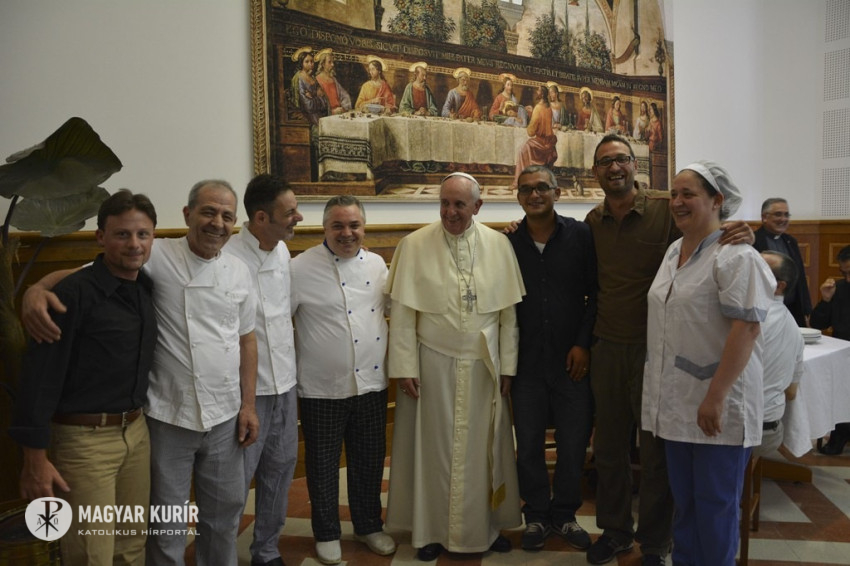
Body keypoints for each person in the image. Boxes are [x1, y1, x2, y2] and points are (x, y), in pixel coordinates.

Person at [22, 180, 260, 566]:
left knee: (221, 516)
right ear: (187, 215)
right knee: (164, 524)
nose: (217, 223)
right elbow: (82, 275)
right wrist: (36, 289)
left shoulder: (238, 270)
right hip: (166, 416)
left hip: (222, 416)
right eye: (208, 212)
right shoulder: (155, 253)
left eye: (226, 216)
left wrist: (248, 405)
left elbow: (247, 339)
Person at [584, 134, 754, 566]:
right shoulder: (593, 221)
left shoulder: (665, 212)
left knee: (658, 457)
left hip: (655, 352)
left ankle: (655, 543)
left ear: (634, 164)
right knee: (611, 450)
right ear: (595, 171)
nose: (614, 167)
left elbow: (718, 244)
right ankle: (616, 532)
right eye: (605, 162)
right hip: (610, 346)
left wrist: (742, 228)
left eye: (622, 158)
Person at [10, 190, 157, 566]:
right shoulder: (70, 295)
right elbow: (39, 378)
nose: (134, 244)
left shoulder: (146, 287)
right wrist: (35, 458)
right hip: (84, 445)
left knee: (131, 548)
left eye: (143, 234)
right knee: (91, 555)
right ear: (100, 237)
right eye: (122, 234)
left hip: (136, 434)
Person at [385, 172, 525, 561]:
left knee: (485, 451)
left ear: (477, 206)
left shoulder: (499, 245)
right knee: (431, 452)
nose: (449, 212)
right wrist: (404, 366)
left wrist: (508, 367)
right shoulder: (414, 245)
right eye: (444, 203)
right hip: (432, 366)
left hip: (484, 368)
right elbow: (403, 313)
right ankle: (429, 531)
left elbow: (508, 317)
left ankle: (487, 527)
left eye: (459, 204)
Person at [643, 161, 774, 566]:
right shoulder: (674, 252)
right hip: (677, 403)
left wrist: (715, 397)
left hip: (718, 407)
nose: (678, 202)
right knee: (686, 506)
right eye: (674, 195)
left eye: (689, 194)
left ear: (717, 200)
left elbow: (746, 328)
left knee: (715, 508)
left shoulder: (736, 256)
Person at [290, 196, 396, 565]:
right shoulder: (299, 268)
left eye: (354, 225)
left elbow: (390, 310)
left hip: (372, 383)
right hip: (321, 387)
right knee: (322, 464)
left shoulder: (378, 264)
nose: (346, 233)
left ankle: (369, 525)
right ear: (324, 228)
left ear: (364, 228)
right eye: (338, 225)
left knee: (369, 460)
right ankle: (326, 532)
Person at [506, 165, 596, 552]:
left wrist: (583, 344)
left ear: (557, 192)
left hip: (571, 360)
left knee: (573, 444)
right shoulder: (508, 242)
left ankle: (565, 514)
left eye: (542, 187)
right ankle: (537, 515)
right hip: (526, 362)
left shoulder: (580, 235)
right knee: (527, 445)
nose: (535, 194)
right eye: (526, 189)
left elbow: (595, 293)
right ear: (518, 197)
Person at [224, 175, 302, 566]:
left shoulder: (283, 251)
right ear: (260, 218)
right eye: (290, 212)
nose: (298, 218)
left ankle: (267, 550)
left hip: (285, 384)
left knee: (280, 471)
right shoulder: (225, 256)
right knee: (234, 484)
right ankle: (219, 554)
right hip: (245, 394)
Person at [754, 251, 804, 458]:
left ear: (779, 285)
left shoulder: (751, 317)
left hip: (745, 428)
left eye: (757, 269)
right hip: (771, 429)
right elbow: (791, 392)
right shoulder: (794, 327)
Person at [810, 245, 850, 455]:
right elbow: (818, 324)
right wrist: (825, 300)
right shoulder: (839, 288)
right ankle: (840, 435)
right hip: (843, 355)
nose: (848, 278)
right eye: (844, 273)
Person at [753, 197, 812, 327]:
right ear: (764, 217)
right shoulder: (753, 241)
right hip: (765, 309)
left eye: (786, 215)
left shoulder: (791, 241)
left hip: (792, 307)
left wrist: (806, 308)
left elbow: (800, 276)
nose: (783, 219)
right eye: (778, 214)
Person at [512, 84, 557, 189]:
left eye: (538, 91)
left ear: (542, 94)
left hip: (540, 142)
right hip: (549, 142)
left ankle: (521, 182)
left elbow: (531, 132)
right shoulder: (548, 108)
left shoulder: (538, 108)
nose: (537, 92)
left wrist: (529, 116)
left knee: (522, 151)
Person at [291, 46, 328, 127]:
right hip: (307, 115)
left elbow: (324, 100)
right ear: (301, 63)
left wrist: (314, 97)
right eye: (307, 62)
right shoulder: (298, 78)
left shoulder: (313, 77)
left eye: (312, 61)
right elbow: (308, 105)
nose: (310, 64)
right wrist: (318, 98)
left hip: (318, 113)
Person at [315, 48, 352, 115]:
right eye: (329, 62)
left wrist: (343, 108)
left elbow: (345, 96)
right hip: (326, 115)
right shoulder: (317, 80)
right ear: (323, 64)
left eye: (332, 62)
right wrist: (331, 112)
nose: (332, 64)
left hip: (339, 113)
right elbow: (318, 104)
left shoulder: (334, 79)